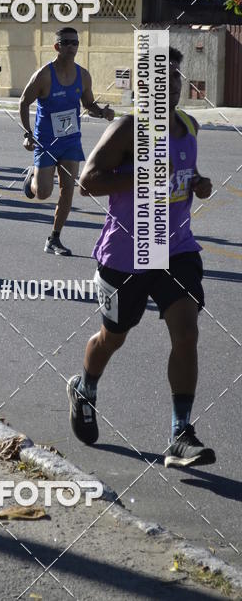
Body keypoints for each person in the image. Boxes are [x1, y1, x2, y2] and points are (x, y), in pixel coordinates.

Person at [67, 46, 216, 469]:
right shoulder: (129, 128)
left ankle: (180, 433)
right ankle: (85, 387)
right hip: (127, 252)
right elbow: (87, 182)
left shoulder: (188, 126)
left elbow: (181, 178)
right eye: (158, 82)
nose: (167, 89)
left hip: (176, 248)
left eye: (173, 81)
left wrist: (199, 183)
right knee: (112, 337)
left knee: (186, 332)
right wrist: (139, 174)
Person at [19, 26, 114, 256]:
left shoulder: (83, 75)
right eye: (67, 42)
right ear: (57, 46)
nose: (72, 47)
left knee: (67, 189)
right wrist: (27, 133)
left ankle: (54, 238)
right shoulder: (43, 75)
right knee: (42, 193)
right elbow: (23, 102)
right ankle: (33, 176)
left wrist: (101, 112)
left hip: (70, 140)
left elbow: (88, 105)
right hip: (46, 140)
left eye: (75, 42)